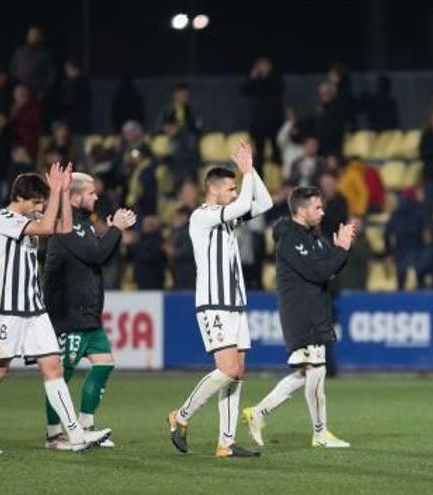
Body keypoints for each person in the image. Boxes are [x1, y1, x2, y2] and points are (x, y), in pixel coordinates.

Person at [0, 163, 111, 454]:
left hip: (35, 309)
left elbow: (63, 228)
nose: (39, 207)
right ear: (21, 198)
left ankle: (75, 434)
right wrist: (54, 192)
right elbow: (44, 227)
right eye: (37, 202)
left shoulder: (29, 217)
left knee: (53, 367)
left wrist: (63, 194)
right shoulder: (2, 219)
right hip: (8, 310)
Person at [167, 140, 272, 458]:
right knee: (227, 369)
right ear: (213, 190)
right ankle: (181, 416)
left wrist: (251, 172)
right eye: (231, 187)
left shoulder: (227, 218)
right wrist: (248, 171)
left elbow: (264, 203)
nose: (235, 191)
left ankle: (225, 442)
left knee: (238, 370)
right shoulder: (202, 216)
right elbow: (243, 205)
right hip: (213, 303)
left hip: (235, 304)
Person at [243, 186, 356, 449]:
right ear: (302, 210)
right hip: (301, 315)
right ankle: (320, 433)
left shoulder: (312, 237)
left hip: (315, 312)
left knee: (308, 374)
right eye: (317, 207)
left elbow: (330, 267)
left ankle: (258, 413)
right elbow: (319, 272)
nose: (322, 211)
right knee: (317, 371)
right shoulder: (290, 240)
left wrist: (342, 248)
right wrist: (341, 250)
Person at [42, 172, 136, 450]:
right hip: (68, 315)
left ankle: (86, 424)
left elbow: (97, 257)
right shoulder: (65, 226)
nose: (96, 196)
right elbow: (96, 255)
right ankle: (53, 435)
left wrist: (110, 233)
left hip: (87, 315)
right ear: (73, 197)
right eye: (91, 193)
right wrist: (116, 229)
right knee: (59, 376)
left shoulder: (84, 226)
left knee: (105, 363)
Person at [240, 57, 284, 168]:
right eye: (261, 65)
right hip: (258, 123)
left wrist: (266, 77)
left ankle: (281, 179)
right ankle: (260, 181)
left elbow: (280, 88)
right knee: (258, 155)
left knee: (277, 152)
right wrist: (252, 78)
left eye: (265, 65)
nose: (263, 68)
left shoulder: (275, 79)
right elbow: (243, 90)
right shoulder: (255, 81)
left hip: (274, 122)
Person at [386, 187, 431, 290]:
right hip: (418, 247)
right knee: (420, 280)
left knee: (401, 281)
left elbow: (387, 233)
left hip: (400, 248)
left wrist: (389, 251)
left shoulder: (396, 212)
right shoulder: (421, 210)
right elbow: (428, 231)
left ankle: (399, 302)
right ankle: (421, 303)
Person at [9, 25, 56, 98]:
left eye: (35, 35)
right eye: (31, 34)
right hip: (19, 91)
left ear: (41, 38)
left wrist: (44, 91)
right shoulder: (20, 51)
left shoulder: (45, 55)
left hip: (35, 92)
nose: (33, 37)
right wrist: (15, 85)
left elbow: (51, 74)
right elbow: (12, 68)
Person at [58, 58, 92, 134]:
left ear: (76, 69)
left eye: (68, 69)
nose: (66, 72)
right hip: (72, 120)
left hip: (78, 121)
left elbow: (68, 101)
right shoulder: (69, 83)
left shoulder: (80, 83)